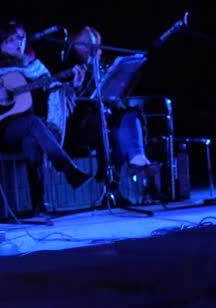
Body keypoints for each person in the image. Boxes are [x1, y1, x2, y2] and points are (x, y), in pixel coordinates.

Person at [0, 20, 92, 218]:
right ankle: (67, 168)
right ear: (0, 44)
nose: (18, 44)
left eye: (21, 39)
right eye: (11, 40)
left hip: (29, 131)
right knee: (34, 123)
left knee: (32, 139)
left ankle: (38, 205)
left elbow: (56, 90)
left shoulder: (35, 67)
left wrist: (74, 85)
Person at [62, 25, 162, 205]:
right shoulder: (67, 67)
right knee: (108, 125)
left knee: (128, 116)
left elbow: (115, 94)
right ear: (73, 45)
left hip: (106, 118)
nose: (90, 49)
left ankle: (136, 161)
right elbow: (65, 108)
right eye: (84, 44)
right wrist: (75, 88)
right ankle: (114, 185)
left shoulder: (102, 65)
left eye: (93, 44)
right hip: (79, 126)